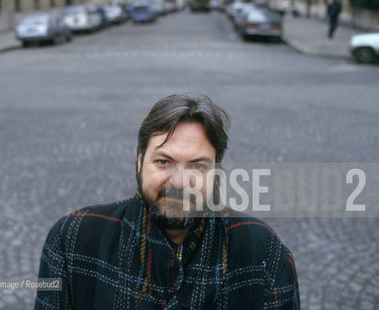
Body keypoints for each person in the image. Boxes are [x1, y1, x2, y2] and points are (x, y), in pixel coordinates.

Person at [34, 93, 300, 309]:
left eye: (197, 166)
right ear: (140, 162)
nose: (179, 182)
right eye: (163, 162)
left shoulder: (264, 252)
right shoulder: (72, 239)